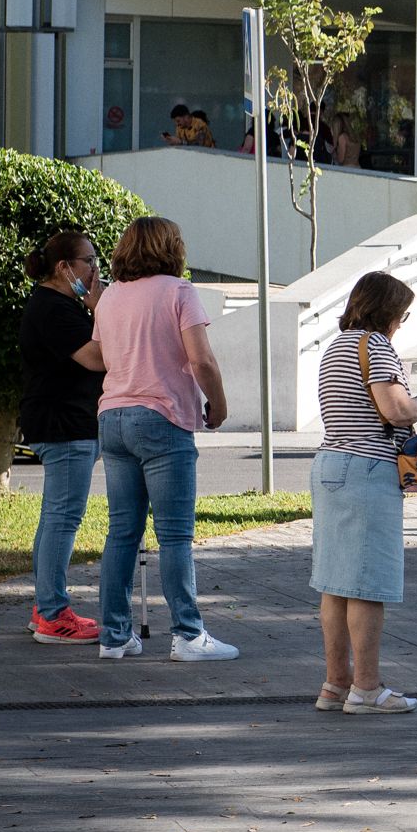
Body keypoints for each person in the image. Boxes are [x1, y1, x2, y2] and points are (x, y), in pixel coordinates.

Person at [88, 217, 238, 662]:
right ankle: (189, 636)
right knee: (174, 535)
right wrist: (220, 405)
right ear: (170, 247)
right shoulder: (178, 291)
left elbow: (101, 355)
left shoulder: (110, 296)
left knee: (122, 533)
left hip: (112, 417)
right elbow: (202, 360)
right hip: (162, 417)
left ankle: (114, 637)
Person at [310, 271, 417, 714]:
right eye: (401, 315)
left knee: (335, 584)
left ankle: (335, 684)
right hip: (367, 468)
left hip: (330, 461)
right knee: (367, 585)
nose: (400, 324)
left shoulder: (336, 346)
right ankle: (366, 689)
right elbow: (395, 409)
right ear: (386, 311)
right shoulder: (376, 346)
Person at [19, 228, 106, 645]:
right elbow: (96, 357)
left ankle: (46, 607)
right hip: (64, 425)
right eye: (89, 261)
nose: (95, 270)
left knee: (55, 516)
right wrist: (101, 310)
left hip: (63, 422)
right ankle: (54, 614)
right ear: (64, 267)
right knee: (63, 518)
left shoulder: (60, 305)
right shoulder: (56, 308)